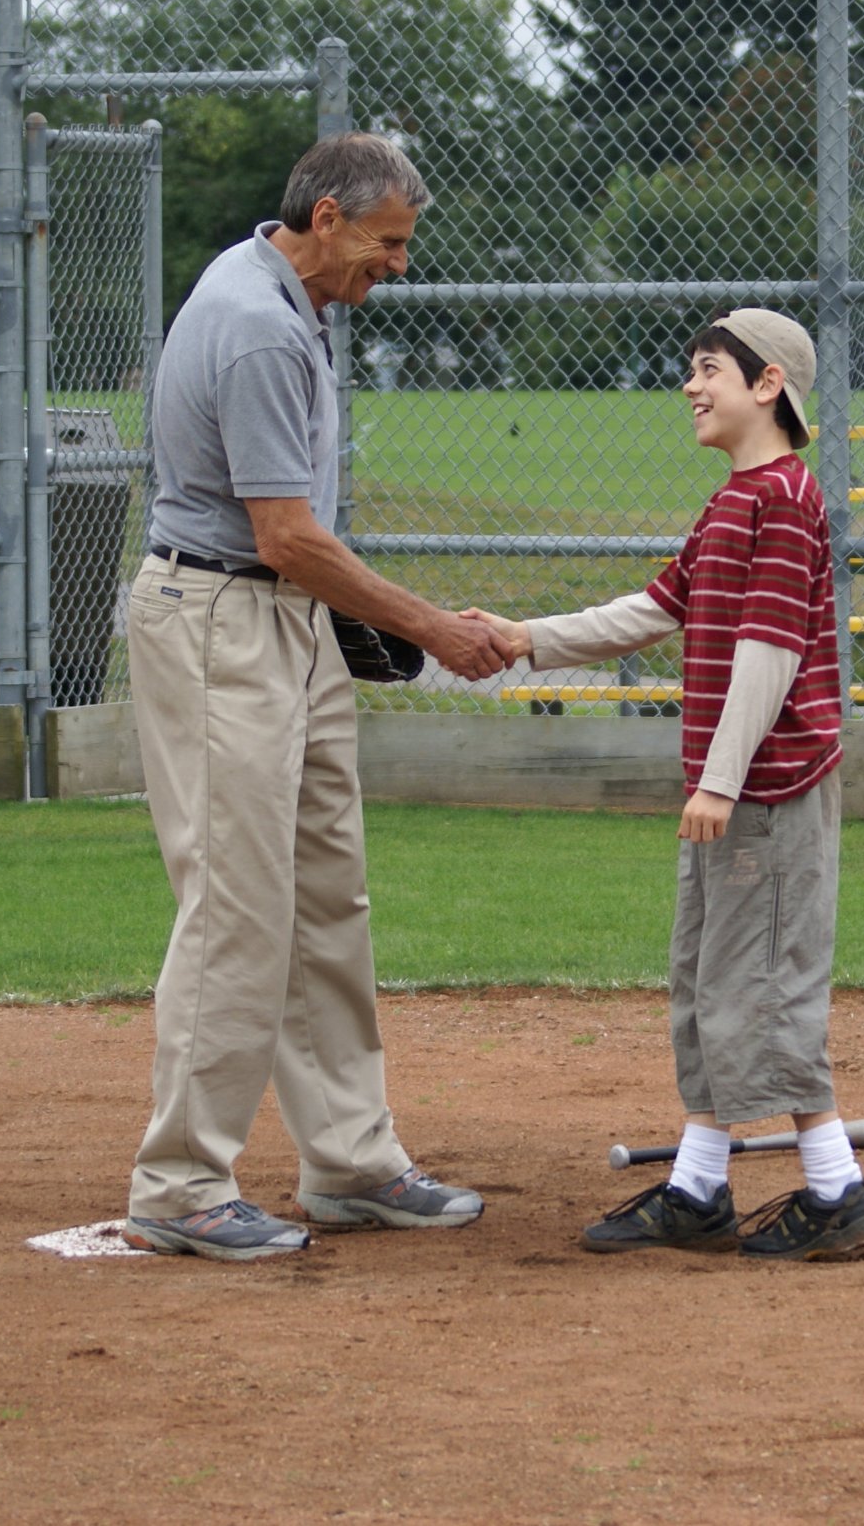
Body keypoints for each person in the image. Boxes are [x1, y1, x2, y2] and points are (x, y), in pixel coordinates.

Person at [121, 133, 511, 1262]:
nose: (397, 267)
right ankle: (181, 1180)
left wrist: (349, 623)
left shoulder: (292, 306)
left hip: (283, 627)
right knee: (238, 904)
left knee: (326, 895)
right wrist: (429, 626)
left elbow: (293, 546)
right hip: (220, 623)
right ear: (327, 217)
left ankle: (349, 1159)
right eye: (387, 244)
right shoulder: (254, 325)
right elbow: (284, 535)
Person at [468, 309, 864, 1261]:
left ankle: (837, 1189)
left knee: (765, 987)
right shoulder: (734, 501)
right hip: (733, 791)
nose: (691, 387)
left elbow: (771, 651)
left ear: (768, 384)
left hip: (767, 791)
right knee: (709, 982)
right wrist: (526, 639)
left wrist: (721, 781)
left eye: (709, 371)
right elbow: (653, 609)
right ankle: (700, 1187)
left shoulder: (784, 497)